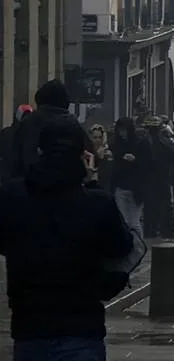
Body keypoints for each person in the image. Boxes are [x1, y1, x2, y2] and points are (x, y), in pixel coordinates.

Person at [0, 117, 134, 361]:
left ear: (40, 151)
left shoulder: (11, 196)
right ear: (83, 155)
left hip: (30, 328)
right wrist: (93, 184)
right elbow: (122, 246)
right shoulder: (96, 202)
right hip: (82, 326)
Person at [110, 117, 151, 233]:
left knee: (134, 222)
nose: (122, 133)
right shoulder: (116, 145)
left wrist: (135, 160)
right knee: (123, 221)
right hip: (121, 187)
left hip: (136, 189)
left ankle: (138, 248)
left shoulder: (140, 143)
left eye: (124, 130)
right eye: (120, 130)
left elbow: (149, 164)